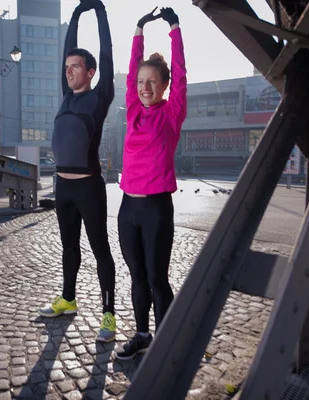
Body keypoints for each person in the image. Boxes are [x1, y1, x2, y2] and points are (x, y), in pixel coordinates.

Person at [38, 0, 117, 343]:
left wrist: (96, 11)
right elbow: (67, 53)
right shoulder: (65, 98)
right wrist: (73, 16)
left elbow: (107, 51)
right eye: (67, 66)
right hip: (63, 188)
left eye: (76, 67)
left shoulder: (100, 96)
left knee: (100, 249)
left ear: (91, 72)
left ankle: (109, 314)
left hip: (89, 188)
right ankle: (68, 299)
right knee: (69, 247)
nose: (69, 71)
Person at [115, 6, 187, 360]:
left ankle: (167, 341)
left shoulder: (172, 113)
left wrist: (174, 27)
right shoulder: (132, 109)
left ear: (164, 86)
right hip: (128, 207)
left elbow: (182, 72)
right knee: (138, 277)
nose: (144, 87)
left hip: (157, 207)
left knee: (158, 279)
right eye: (141, 82)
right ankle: (142, 335)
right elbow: (129, 74)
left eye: (152, 82)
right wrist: (138, 29)